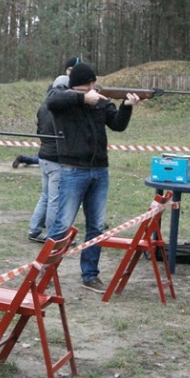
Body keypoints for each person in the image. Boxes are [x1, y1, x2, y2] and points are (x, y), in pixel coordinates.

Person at [45, 63, 142, 293]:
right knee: (62, 225)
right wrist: (82, 99)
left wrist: (127, 106)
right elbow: (52, 100)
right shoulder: (64, 100)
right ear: (78, 85)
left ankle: (90, 275)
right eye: (89, 84)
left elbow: (118, 124)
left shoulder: (100, 101)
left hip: (100, 170)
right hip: (72, 170)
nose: (93, 87)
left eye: (93, 83)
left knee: (96, 227)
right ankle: (45, 271)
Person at [13, 56, 81, 168]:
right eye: (70, 69)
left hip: (52, 146)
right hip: (58, 147)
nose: (72, 72)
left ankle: (24, 158)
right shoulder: (58, 92)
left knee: (41, 158)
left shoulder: (57, 91)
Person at [27, 74, 68, 244]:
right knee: (54, 199)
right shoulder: (61, 110)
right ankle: (53, 236)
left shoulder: (43, 107)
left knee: (45, 196)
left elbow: (39, 131)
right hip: (55, 159)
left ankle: (35, 229)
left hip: (43, 156)